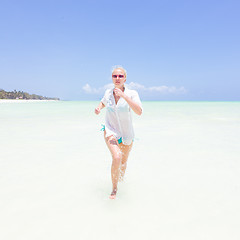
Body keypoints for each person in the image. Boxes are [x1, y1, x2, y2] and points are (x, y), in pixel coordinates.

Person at [95, 66, 142, 199]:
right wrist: (98, 108)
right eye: (115, 76)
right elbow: (103, 102)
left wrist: (124, 97)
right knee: (116, 157)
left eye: (120, 76)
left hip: (127, 134)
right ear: (112, 78)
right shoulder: (108, 93)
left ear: (125, 78)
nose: (117, 78)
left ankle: (120, 181)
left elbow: (139, 112)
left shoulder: (132, 94)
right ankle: (114, 189)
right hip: (110, 130)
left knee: (123, 162)